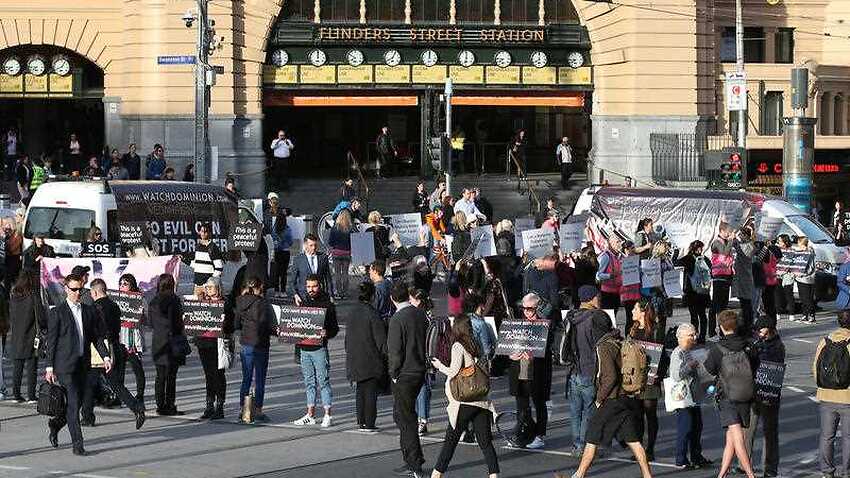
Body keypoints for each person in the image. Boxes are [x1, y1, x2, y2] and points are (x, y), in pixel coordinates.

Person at [569, 309, 653, 478]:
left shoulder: (603, 346)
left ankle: (579, 474)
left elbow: (610, 376)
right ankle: (647, 474)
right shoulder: (618, 339)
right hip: (628, 396)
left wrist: (600, 398)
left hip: (612, 398)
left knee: (592, 435)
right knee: (633, 440)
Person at [44, 273, 112, 456]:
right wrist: (49, 367)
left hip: (84, 365)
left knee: (77, 402)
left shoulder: (89, 311)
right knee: (73, 403)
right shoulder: (57, 312)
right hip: (65, 366)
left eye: (80, 289)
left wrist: (105, 356)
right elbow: (51, 342)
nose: (77, 293)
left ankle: (56, 423)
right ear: (66, 289)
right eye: (73, 289)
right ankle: (78, 444)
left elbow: (96, 338)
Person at [430, 314, 500, 478]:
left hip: (464, 400)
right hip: (481, 399)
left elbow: (453, 372)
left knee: (451, 440)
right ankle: (494, 474)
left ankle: (437, 473)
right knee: (485, 441)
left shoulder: (458, 346)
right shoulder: (475, 344)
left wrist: (439, 365)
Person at [82, 279, 146, 429]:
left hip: (99, 349)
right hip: (115, 345)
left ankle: (87, 417)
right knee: (115, 383)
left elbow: (95, 331)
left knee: (89, 383)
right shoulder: (115, 306)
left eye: (91, 293)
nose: (91, 295)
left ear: (96, 292)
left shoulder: (95, 307)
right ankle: (136, 407)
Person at [703, 310, 757, 478]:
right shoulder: (749, 345)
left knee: (737, 436)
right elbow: (755, 365)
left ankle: (750, 474)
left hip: (727, 396)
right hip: (746, 394)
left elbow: (710, 369)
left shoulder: (717, 348)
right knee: (731, 437)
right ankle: (722, 474)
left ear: (721, 327)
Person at [387, 282, 428, 477]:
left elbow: (394, 352)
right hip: (420, 369)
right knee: (403, 415)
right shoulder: (420, 314)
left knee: (405, 418)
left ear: (392, 298)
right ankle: (411, 457)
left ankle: (414, 462)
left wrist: (394, 374)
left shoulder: (397, 319)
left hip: (404, 373)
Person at [565, 286, 612, 455]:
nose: (600, 299)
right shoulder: (598, 317)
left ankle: (577, 446)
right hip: (591, 371)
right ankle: (585, 447)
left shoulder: (572, 316)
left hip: (574, 370)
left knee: (575, 411)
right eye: (598, 296)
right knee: (589, 412)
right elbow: (605, 343)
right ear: (592, 298)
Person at [292, 274, 339, 427]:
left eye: (314, 286)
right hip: (304, 348)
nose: (311, 289)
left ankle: (327, 414)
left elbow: (335, 328)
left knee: (323, 381)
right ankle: (310, 414)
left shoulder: (327, 304)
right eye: (308, 287)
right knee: (309, 382)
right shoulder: (303, 302)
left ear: (320, 286)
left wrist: (328, 333)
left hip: (319, 348)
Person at [508, 293, 553, 450]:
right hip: (520, 372)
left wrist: (534, 355)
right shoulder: (518, 324)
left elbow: (546, 351)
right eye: (524, 308)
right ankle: (523, 432)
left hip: (537, 372)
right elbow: (508, 344)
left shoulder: (544, 325)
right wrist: (511, 354)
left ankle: (540, 435)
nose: (526, 312)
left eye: (529, 309)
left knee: (539, 403)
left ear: (537, 308)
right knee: (522, 405)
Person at [744, 316, 785, 478]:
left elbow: (774, 363)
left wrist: (756, 354)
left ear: (770, 329)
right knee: (748, 428)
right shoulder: (756, 342)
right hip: (753, 391)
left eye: (760, 330)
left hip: (769, 392)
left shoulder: (777, 345)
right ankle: (744, 462)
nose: (757, 333)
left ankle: (770, 468)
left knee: (770, 432)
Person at [668, 323, 713, 470]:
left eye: (695, 334)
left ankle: (696, 456)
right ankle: (680, 458)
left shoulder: (694, 349)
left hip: (695, 393)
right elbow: (676, 375)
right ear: (680, 337)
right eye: (691, 335)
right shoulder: (678, 353)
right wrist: (690, 366)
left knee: (697, 426)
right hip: (683, 396)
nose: (694, 337)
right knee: (685, 427)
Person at [345, 281, 387, 433]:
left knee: (360, 391)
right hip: (370, 358)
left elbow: (347, 337)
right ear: (373, 296)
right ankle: (369, 422)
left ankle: (361, 420)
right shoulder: (372, 313)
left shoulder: (352, 311)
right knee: (370, 392)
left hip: (354, 356)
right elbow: (381, 340)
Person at [814, 309, 850, 478]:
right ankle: (847, 471)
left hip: (826, 396)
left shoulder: (825, 341)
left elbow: (815, 368)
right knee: (848, 438)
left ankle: (827, 471)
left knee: (827, 436)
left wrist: (823, 386)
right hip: (848, 397)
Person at [235, 277, 274, 422]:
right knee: (259, 379)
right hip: (261, 343)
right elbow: (266, 324)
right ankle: (258, 409)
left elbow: (236, 324)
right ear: (259, 287)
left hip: (246, 342)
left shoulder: (240, 301)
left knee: (246, 378)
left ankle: (243, 409)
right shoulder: (262, 303)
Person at [628, 299, 662, 461]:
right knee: (637, 415)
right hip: (635, 379)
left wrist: (657, 375)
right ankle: (639, 448)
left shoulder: (655, 330)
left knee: (650, 415)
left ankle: (651, 449)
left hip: (650, 379)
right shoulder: (633, 330)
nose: (632, 312)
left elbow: (662, 355)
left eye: (635, 309)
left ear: (643, 312)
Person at [194, 278, 232, 419]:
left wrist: (224, 321)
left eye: (211, 287)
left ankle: (220, 405)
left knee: (218, 374)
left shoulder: (224, 303)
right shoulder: (202, 302)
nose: (208, 290)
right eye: (207, 287)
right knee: (208, 375)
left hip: (218, 342)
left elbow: (231, 325)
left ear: (218, 288)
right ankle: (209, 404)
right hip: (204, 342)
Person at [148, 273, 185, 416]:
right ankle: (169, 404)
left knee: (160, 376)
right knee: (171, 377)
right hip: (172, 341)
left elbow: (151, 323)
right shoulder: (174, 300)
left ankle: (160, 405)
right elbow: (177, 322)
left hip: (158, 340)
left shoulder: (153, 301)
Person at [8, 271, 45, 403]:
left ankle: (16, 394)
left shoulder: (14, 296)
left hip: (16, 335)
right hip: (31, 335)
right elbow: (41, 316)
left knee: (17, 366)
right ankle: (31, 395)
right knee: (31, 367)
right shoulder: (33, 296)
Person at [114, 274, 146, 406]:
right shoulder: (116, 299)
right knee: (119, 370)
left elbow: (144, 319)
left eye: (125, 284)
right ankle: (119, 395)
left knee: (137, 369)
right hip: (120, 338)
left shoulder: (139, 299)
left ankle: (140, 395)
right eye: (121, 284)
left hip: (133, 340)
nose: (122, 287)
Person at [678, 240, 712, 343]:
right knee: (702, 316)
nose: (701, 250)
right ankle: (702, 337)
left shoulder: (688, 258)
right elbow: (710, 269)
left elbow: (676, 261)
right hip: (702, 292)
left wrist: (678, 251)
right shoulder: (704, 259)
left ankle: (695, 336)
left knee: (694, 316)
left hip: (691, 292)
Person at [288, 233, 333, 303]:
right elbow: (292, 281)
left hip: (320, 297)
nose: (314, 248)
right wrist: (295, 295)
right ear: (305, 245)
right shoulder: (298, 259)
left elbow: (328, 279)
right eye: (311, 245)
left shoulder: (323, 258)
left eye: (315, 245)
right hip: (303, 298)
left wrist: (330, 296)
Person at [710, 224, 735, 338]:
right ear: (721, 231)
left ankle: (722, 331)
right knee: (716, 305)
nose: (728, 234)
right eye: (727, 232)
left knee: (723, 306)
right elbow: (725, 252)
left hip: (726, 277)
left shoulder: (725, 241)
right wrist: (730, 240)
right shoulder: (717, 243)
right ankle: (712, 331)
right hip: (718, 277)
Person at [265, 193, 293, 293]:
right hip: (285, 251)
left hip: (275, 250)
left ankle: (276, 291)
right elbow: (290, 242)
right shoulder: (287, 229)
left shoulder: (268, 215)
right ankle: (283, 291)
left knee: (276, 272)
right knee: (284, 272)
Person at [190, 223, 224, 295]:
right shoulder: (197, 246)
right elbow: (196, 265)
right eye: (202, 231)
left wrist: (211, 283)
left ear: (210, 233)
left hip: (209, 287)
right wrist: (183, 259)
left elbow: (219, 268)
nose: (203, 233)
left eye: (206, 231)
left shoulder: (213, 247)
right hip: (197, 285)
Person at [328, 209, 353, 300]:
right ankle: (345, 292)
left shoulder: (334, 228)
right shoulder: (350, 229)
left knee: (337, 273)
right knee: (345, 273)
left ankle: (338, 292)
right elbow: (353, 242)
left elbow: (330, 242)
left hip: (336, 253)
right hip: (347, 253)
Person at [792, 235, 817, 324]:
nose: (797, 244)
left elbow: (811, 267)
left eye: (798, 242)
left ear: (801, 243)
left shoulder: (809, 253)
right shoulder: (800, 252)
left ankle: (811, 315)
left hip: (807, 278)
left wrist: (802, 274)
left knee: (807, 298)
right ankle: (804, 315)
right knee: (802, 298)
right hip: (800, 278)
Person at [596, 234, 623, 315]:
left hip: (617, 292)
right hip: (607, 294)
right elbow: (598, 275)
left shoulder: (619, 256)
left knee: (613, 317)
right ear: (611, 243)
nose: (620, 245)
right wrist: (611, 275)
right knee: (607, 318)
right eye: (617, 242)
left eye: (620, 242)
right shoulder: (605, 256)